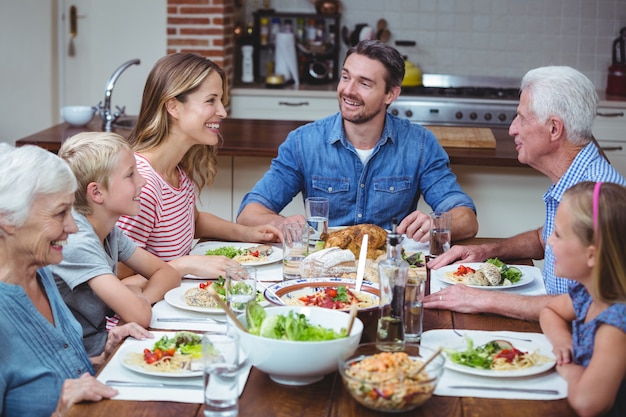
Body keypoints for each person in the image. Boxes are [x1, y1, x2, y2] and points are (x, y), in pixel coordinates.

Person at [425, 66, 626, 321]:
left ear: (554, 129)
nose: (512, 130)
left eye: (521, 118)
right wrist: (487, 251)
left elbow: (587, 305)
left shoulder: (597, 197)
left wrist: (482, 299)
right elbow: (544, 238)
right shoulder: (575, 178)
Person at [236, 40, 478, 241]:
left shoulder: (420, 144)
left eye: (364, 83)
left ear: (390, 94)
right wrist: (281, 222)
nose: (348, 91)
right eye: (345, 77)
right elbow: (249, 213)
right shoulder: (303, 143)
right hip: (324, 273)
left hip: (388, 271)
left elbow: (466, 218)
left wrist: (436, 224)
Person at [0, 143, 153, 417]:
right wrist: (58, 411)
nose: (72, 227)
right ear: (7, 220)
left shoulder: (42, 273)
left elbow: (52, 379)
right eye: (60, 213)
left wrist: (102, 359)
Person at [115, 53, 280, 278]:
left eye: (221, 101)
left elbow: (194, 221)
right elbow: (116, 279)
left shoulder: (176, 172)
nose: (222, 111)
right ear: (173, 106)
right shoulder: (143, 185)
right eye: (211, 100)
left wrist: (248, 233)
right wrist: (183, 267)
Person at [49, 132, 180, 357]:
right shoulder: (77, 240)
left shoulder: (109, 231)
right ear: (97, 192)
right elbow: (139, 316)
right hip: (82, 360)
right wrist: (134, 299)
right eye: (130, 175)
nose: (143, 181)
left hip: (103, 346)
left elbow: (167, 272)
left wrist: (141, 297)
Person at [540, 181, 626, 417]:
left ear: (591, 254)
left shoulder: (616, 323)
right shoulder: (589, 294)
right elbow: (550, 310)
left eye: (558, 234)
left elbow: (588, 404)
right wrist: (562, 342)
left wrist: (570, 369)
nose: (549, 241)